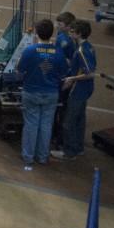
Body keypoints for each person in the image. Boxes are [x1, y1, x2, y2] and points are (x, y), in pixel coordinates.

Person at [17, 19, 70, 171]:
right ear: (52, 33)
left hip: (31, 92)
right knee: (46, 125)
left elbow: (20, 70)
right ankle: (42, 156)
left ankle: (28, 156)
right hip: (51, 93)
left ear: (36, 33)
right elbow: (63, 73)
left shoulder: (30, 51)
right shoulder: (58, 53)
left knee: (31, 124)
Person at [52, 19, 96, 161]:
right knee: (79, 119)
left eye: (72, 32)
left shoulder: (81, 51)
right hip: (86, 89)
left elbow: (88, 72)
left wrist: (71, 79)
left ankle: (69, 152)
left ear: (79, 34)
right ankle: (78, 147)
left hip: (79, 90)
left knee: (69, 121)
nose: (69, 34)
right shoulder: (89, 47)